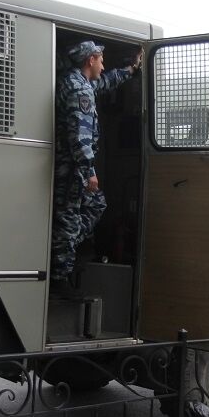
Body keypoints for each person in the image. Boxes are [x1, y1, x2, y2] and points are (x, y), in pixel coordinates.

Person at [51, 40, 140, 289]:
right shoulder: (80, 91)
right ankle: (60, 279)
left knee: (86, 211)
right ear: (90, 60)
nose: (103, 65)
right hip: (72, 170)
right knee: (69, 224)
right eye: (101, 60)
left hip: (69, 168)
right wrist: (89, 171)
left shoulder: (76, 81)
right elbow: (80, 136)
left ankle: (64, 247)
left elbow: (103, 82)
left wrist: (130, 70)